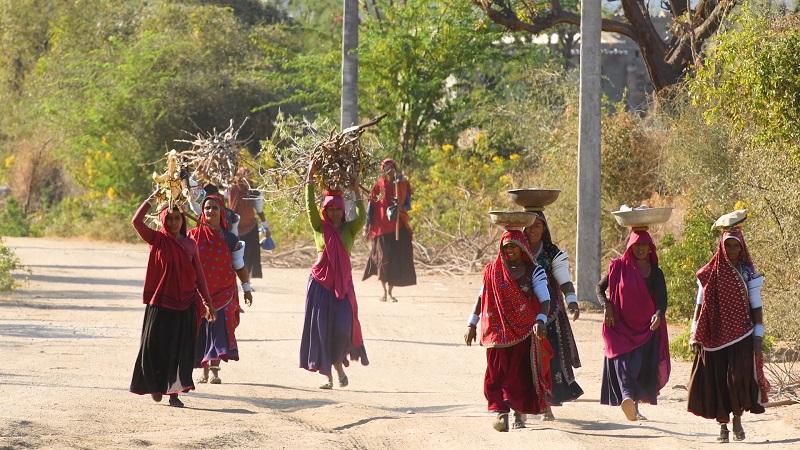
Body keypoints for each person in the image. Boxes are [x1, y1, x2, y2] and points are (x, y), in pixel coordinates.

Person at [129, 191, 217, 408]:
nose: (174, 222)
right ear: (163, 219)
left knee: (179, 350)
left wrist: (208, 301)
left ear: (183, 220)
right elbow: (136, 222)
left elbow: (199, 276)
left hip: (185, 304)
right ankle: (155, 385)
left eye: (178, 218)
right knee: (154, 347)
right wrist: (150, 198)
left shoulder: (190, 245)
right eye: (170, 218)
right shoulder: (156, 239)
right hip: (160, 303)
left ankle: (173, 393)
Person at [687, 222, 769, 443]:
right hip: (714, 335)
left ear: (742, 248)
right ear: (722, 247)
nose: (732, 250)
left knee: (738, 378)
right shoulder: (709, 273)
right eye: (728, 246)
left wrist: (758, 336)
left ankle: (737, 419)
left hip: (742, 335)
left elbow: (756, 306)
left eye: (736, 246)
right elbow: (700, 304)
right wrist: (694, 332)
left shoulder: (748, 273)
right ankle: (723, 425)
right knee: (718, 381)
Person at [464, 230, 552, 432]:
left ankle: (518, 412)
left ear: (522, 248)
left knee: (518, 375)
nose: (510, 250)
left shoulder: (534, 271)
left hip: (523, 331)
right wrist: (471, 323)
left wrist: (541, 319)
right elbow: (481, 297)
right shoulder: (492, 271)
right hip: (495, 331)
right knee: (495, 373)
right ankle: (500, 411)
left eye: (514, 246)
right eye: (506, 247)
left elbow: (545, 299)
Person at [299, 159, 369, 389]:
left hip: (343, 285)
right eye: (331, 208)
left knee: (342, 327)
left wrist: (356, 188)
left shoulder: (351, 228)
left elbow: (362, 215)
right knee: (321, 328)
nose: (336, 212)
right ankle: (327, 375)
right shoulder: (319, 227)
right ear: (325, 210)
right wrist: (310, 176)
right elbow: (309, 206)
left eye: (339, 208)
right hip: (320, 284)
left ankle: (338, 364)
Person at [596, 229, 670, 421]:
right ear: (630, 246)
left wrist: (658, 315)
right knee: (621, 362)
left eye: (644, 245)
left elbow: (662, 300)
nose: (641, 248)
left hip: (645, 327)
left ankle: (633, 407)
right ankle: (627, 397)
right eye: (637, 244)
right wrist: (607, 306)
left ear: (650, 248)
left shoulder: (656, 272)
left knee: (639, 366)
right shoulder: (618, 267)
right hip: (619, 325)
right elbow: (599, 288)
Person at [188, 194, 254, 385]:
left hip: (224, 291)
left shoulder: (229, 238)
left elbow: (239, 265)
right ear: (202, 212)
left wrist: (246, 288)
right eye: (207, 208)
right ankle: (204, 372)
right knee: (202, 330)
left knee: (218, 330)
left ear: (221, 212)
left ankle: (215, 371)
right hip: (199, 292)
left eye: (215, 208)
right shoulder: (192, 236)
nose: (211, 211)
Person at [523, 213, 583, 421]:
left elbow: (564, 281)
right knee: (523, 359)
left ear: (544, 228)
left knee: (549, 359)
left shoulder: (551, 252)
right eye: (529, 226)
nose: (532, 230)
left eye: (537, 226)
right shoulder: (516, 248)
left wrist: (572, 299)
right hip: (521, 312)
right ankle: (522, 404)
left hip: (549, 312)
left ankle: (547, 405)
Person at [362, 158, 416, 302]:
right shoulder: (378, 185)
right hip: (381, 228)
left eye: (391, 166)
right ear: (382, 169)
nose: (389, 169)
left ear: (395, 168)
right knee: (383, 260)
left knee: (396, 260)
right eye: (386, 167)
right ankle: (384, 292)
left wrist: (401, 207)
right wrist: (367, 225)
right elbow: (371, 206)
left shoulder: (403, 184)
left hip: (399, 226)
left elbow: (408, 205)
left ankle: (391, 292)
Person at [227, 168, 269, 278]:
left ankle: (246, 281)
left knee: (249, 256)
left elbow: (259, 210)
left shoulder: (254, 192)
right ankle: (238, 279)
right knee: (238, 256)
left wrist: (266, 227)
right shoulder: (232, 189)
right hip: (236, 228)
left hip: (250, 227)